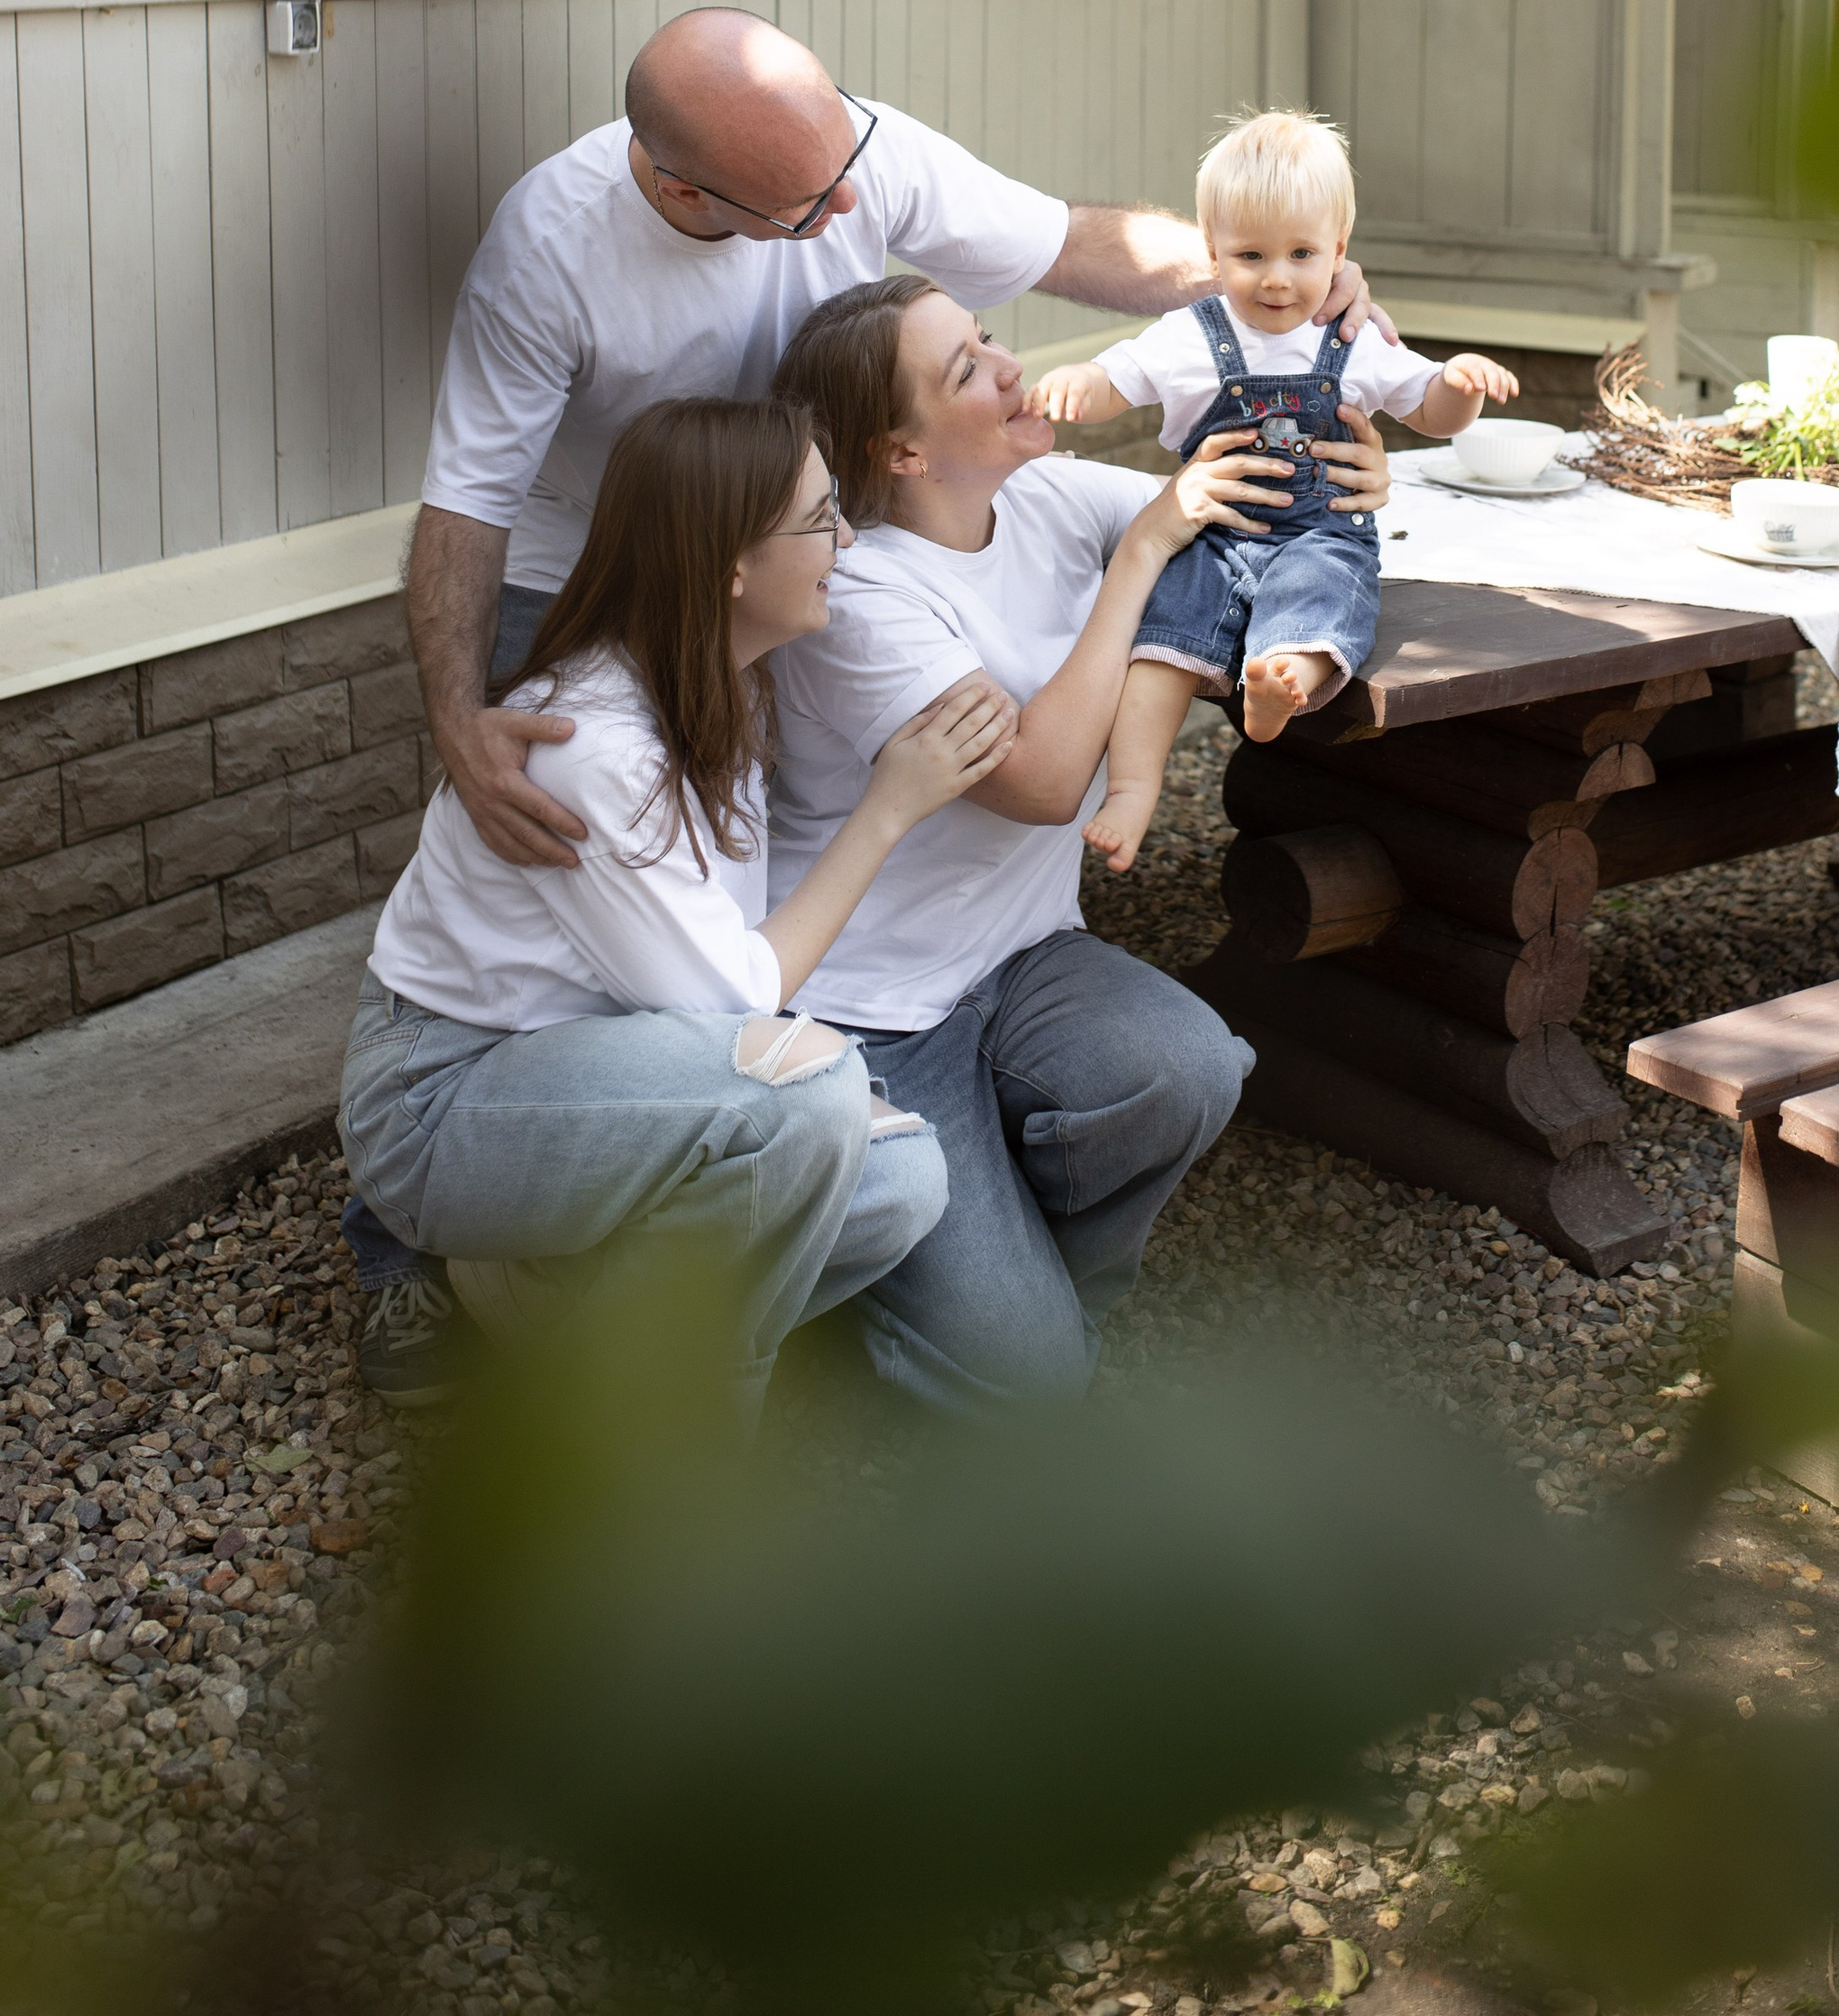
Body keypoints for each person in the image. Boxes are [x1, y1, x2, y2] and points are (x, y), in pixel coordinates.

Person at [405, 9, 1394, 879]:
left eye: (845, 167)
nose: (848, 205)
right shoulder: (547, 256)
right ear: (687, 196)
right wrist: (456, 722)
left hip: (798, 539)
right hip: (599, 566)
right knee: (577, 836)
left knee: (747, 823)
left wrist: (1281, 294)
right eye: (806, 203)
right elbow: (468, 501)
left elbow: (1073, 244)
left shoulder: (853, 152)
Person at [759, 273, 1393, 1410]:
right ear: (901, 451)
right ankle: (877, 1280)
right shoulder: (861, 596)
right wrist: (1138, 559)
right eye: (966, 368)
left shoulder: (1041, 493)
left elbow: (1242, 516)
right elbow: (1046, 785)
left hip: (1020, 960)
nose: (1011, 365)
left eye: (987, 338)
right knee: (1028, 1383)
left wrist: (1343, 485)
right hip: (870, 1013)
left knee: (1189, 1068)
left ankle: (1015, 1284)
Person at [341, 397, 1015, 1414]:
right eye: (819, 519)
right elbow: (732, 1003)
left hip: (603, 1079)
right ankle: (659, 1441)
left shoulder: (721, 683)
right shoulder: (593, 749)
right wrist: (888, 809)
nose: (845, 540)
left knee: (900, 1182)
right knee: (808, 1096)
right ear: (729, 565)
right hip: (445, 1100)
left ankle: (552, 1318)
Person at [1030, 109, 1518, 867]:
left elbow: (1429, 411)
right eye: (1251, 255)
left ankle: (1279, 686)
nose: (1277, 277)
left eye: (1301, 254)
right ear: (1212, 251)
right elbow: (1117, 380)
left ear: (1339, 252)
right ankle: (1131, 789)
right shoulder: (1191, 335)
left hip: (1320, 532)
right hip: (1212, 536)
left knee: (1320, 601)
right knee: (1160, 649)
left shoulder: (1352, 337)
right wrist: (1076, 383)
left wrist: (1460, 384)